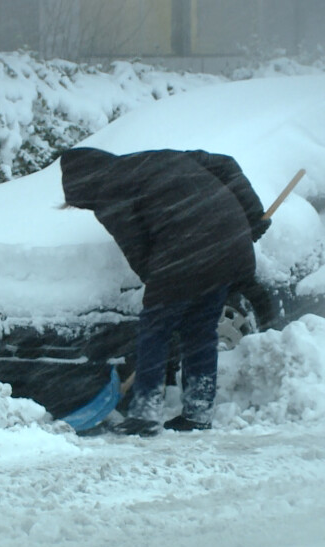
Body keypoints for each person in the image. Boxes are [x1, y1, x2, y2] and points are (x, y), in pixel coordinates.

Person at [60, 147, 270, 436]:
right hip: (230, 245)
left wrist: (162, 291)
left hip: (186, 251)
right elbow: (226, 163)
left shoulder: (108, 192)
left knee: (154, 332)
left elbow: (136, 247)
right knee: (200, 332)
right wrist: (253, 215)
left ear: (85, 184)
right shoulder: (157, 158)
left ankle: (145, 414)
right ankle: (198, 412)